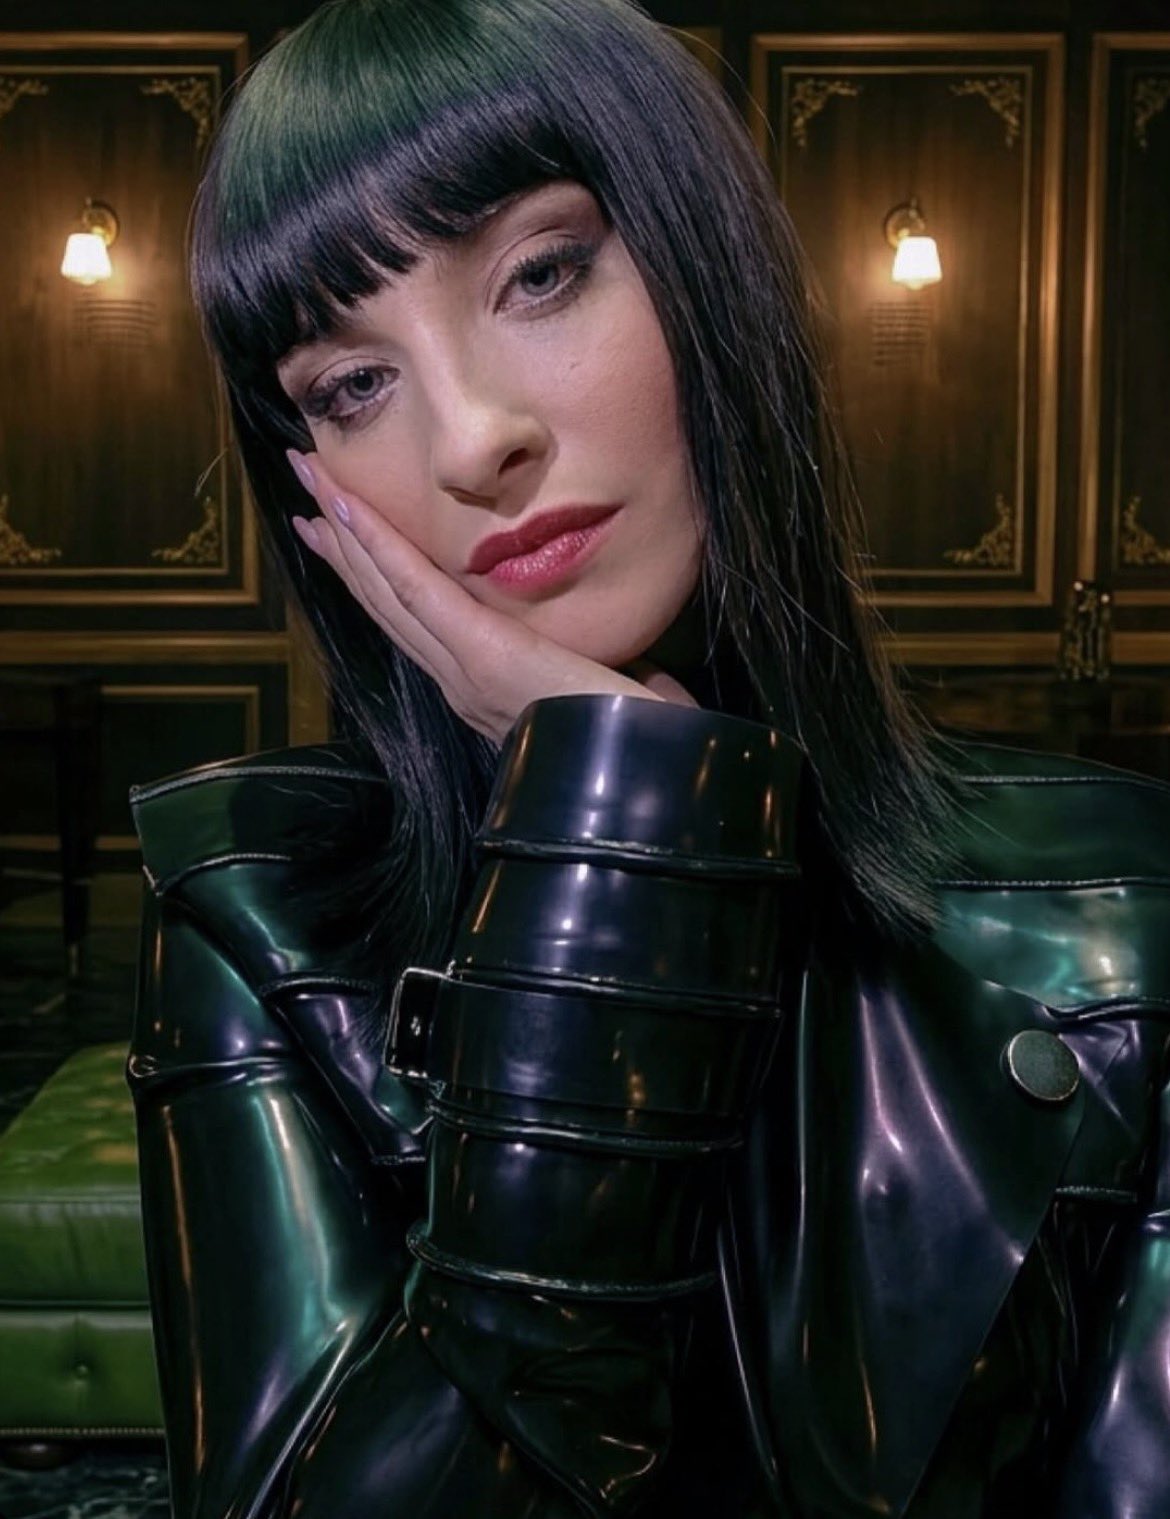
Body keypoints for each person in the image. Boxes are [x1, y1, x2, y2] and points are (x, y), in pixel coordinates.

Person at [126, 1, 1170, 1515]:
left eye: (539, 275)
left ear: (705, 269)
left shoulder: (1126, 897)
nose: (470, 442)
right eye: (350, 386)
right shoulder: (253, 917)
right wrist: (626, 833)